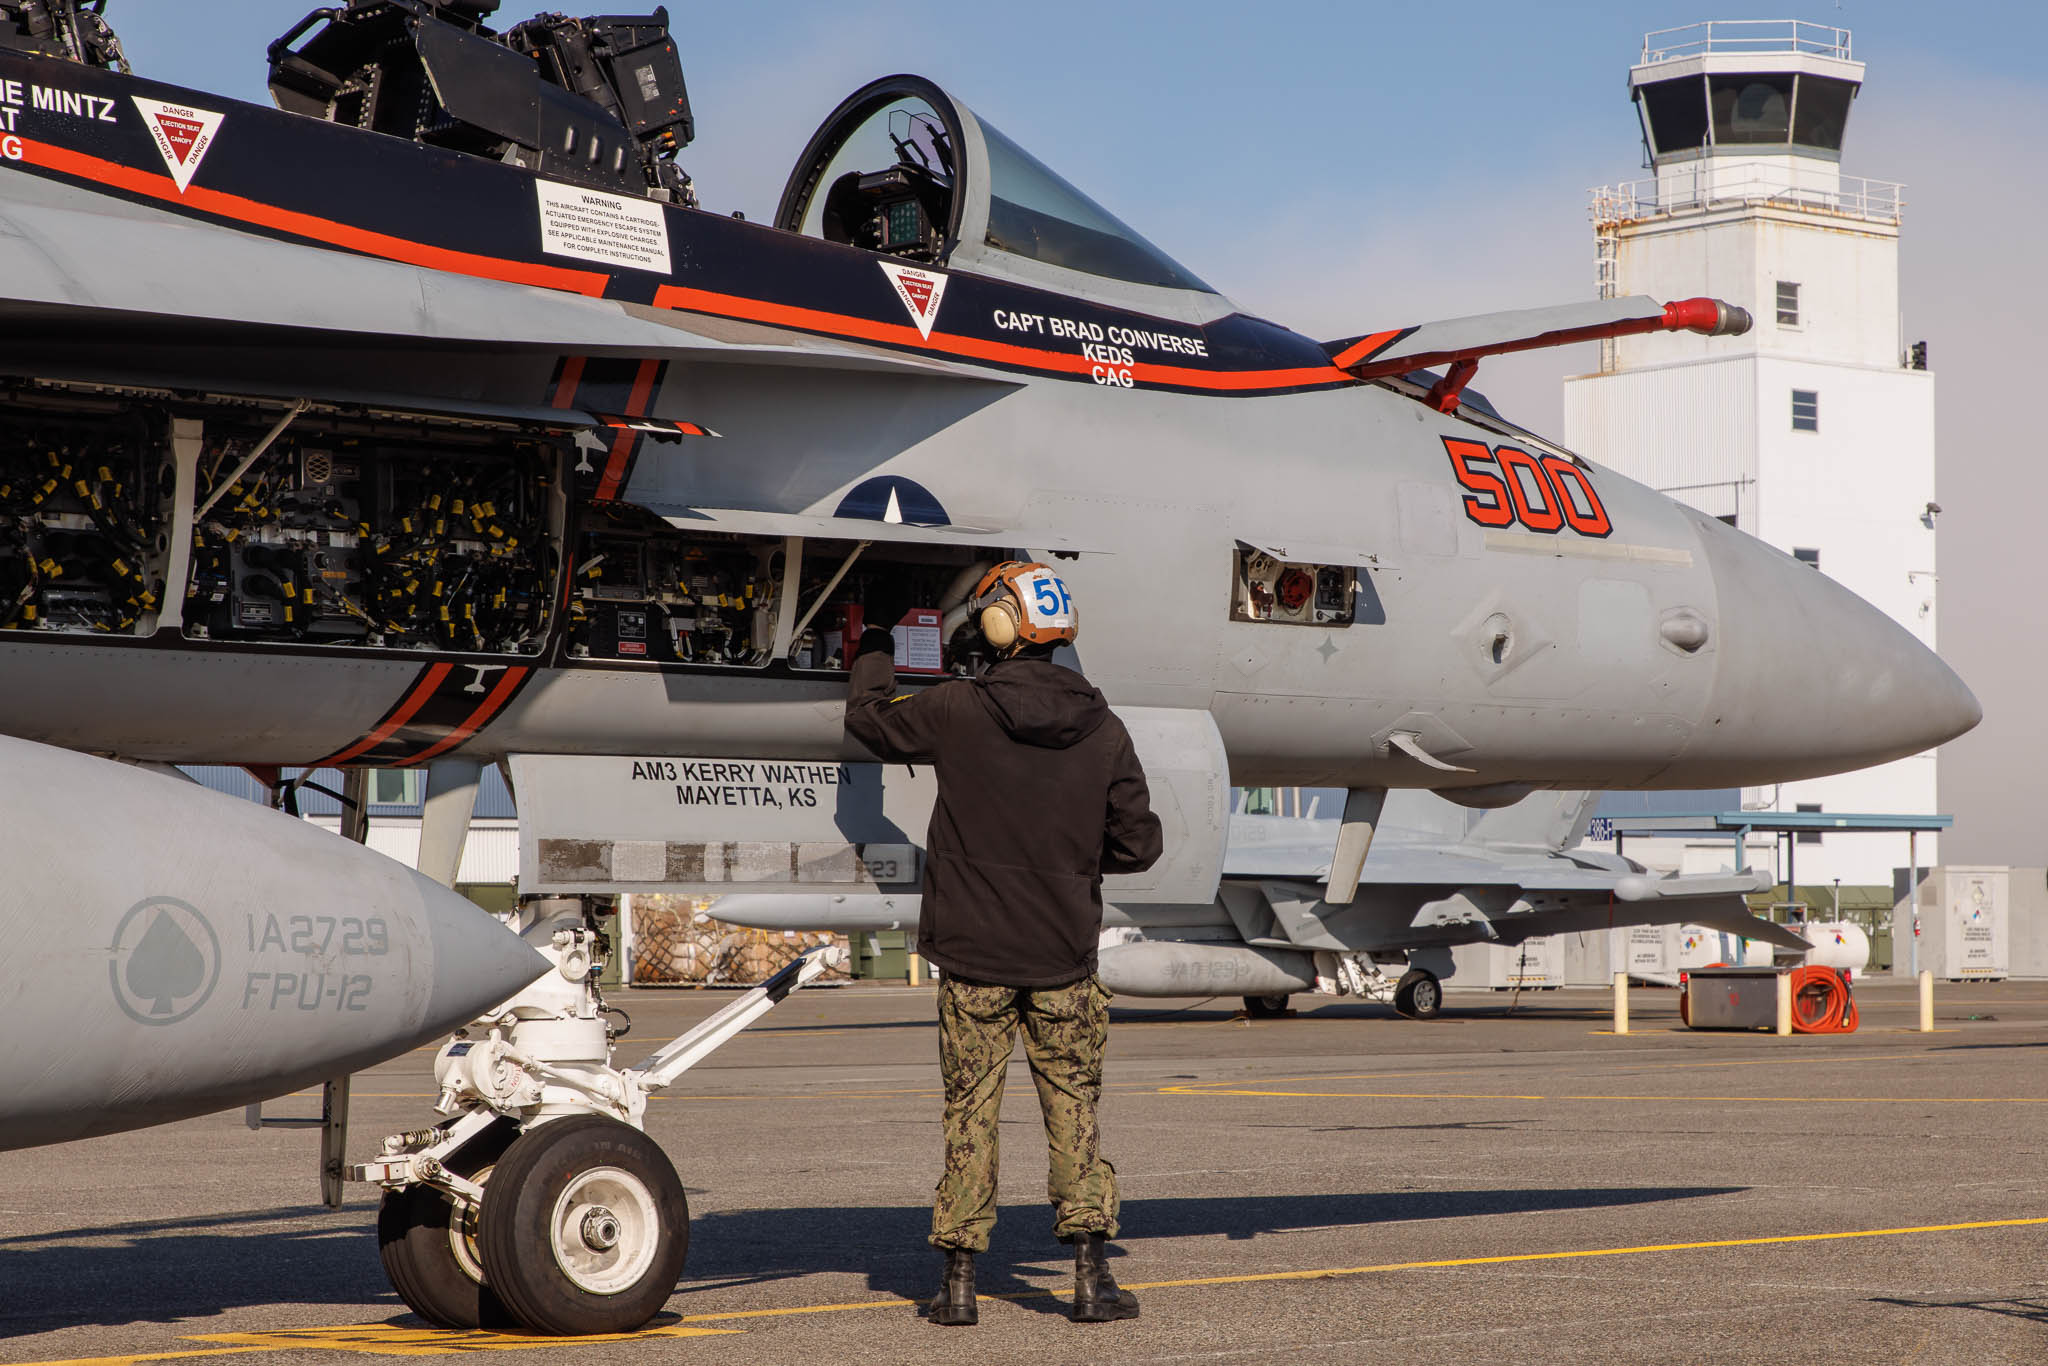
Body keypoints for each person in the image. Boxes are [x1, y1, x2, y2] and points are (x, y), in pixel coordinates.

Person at [844, 560, 1162, 1326]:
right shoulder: (1105, 728)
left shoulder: (958, 709)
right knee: (1074, 1110)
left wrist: (878, 638)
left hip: (973, 959)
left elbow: (871, 720)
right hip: (1063, 960)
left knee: (969, 1114)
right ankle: (1091, 1280)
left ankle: (957, 1286)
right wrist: (1071, 861)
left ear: (999, 626)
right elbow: (1141, 844)